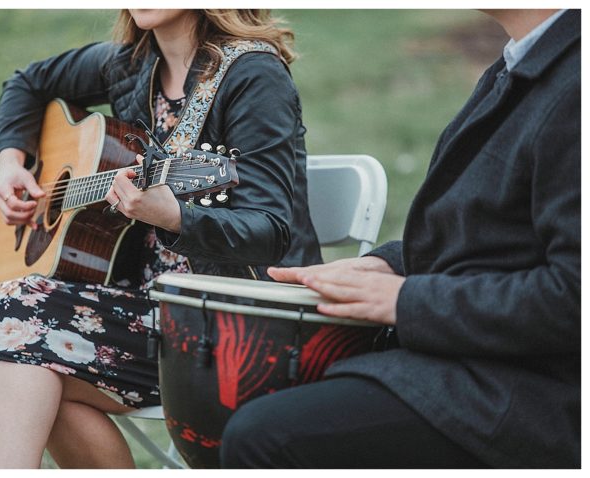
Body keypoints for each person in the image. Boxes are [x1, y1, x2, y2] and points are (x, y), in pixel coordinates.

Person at [221, 9, 579, 468]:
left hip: (530, 394)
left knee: (264, 436)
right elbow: (495, 235)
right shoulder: (523, 60)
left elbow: (572, 298)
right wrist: (389, 263)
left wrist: (405, 300)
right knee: (255, 390)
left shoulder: (574, 83)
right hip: (471, 359)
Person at [0, 9, 322, 468]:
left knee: (22, 326)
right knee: (30, 358)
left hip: (237, 321)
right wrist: (11, 163)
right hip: (147, 312)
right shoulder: (131, 63)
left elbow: (271, 231)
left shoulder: (254, 75)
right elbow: (27, 83)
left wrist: (176, 217)